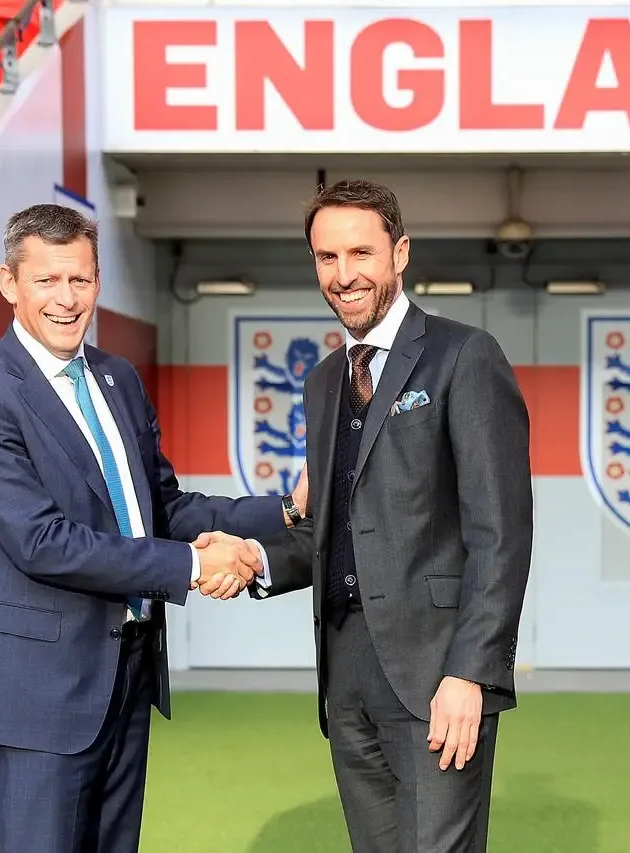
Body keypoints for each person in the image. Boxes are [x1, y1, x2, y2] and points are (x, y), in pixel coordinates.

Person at [0, 203, 303, 852]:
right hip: (39, 689)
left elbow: (161, 507)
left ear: (97, 281)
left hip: (124, 671)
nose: (65, 298)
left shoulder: (116, 379)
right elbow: (41, 542)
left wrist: (284, 509)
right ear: (8, 283)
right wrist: (192, 567)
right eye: (47, 280)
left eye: (80, 279)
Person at [198, 179, 533, 852]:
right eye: (326, 257)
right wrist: (257, 558)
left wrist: (470, 672)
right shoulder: (324, 380)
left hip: (436, 669)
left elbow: (500, 533)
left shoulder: (463, 356)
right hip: (345, 671)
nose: (343, 275)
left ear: (398, 253)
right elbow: (335, 527)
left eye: (359, 253)